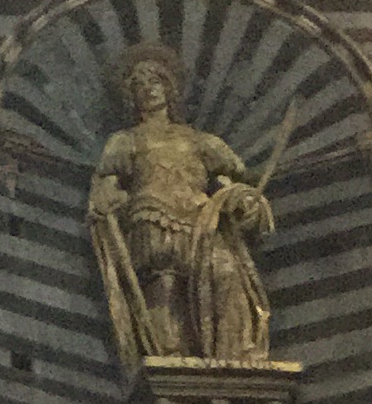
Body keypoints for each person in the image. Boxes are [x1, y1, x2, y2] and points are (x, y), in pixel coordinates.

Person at [86, 45, 276, 371]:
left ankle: (232, 353)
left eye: (155, 81)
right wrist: (107, 203)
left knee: (227, 274)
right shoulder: (125, 140)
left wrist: (243, 203)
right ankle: (170, 358)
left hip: (203, 220)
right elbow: (106, 187)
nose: (148, 89)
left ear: (169, 88)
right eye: (139, 84)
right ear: (131, 96)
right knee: (165, 286)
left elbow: (229, 185)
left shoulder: (200, 140)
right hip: (151, 217)